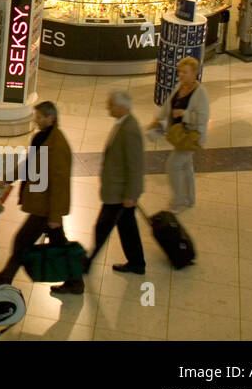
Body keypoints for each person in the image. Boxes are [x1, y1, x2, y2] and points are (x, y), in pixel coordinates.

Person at [0, 100, 83, 296]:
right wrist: (8, 178)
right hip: (44, 206)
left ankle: (4, 278)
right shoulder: (42, 137)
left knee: (22, 241)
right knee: (59, 244)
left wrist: (55, 216)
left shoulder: (57, 145)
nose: (36, 120)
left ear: (51, 118)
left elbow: (60, 184)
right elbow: (30, 164)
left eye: (39, 117)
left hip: (46, 208)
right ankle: (75, 281)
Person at [86, 90, 146, 275]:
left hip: (120, 194)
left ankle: (87, 263)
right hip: (119, 192)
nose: (107, 107)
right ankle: (137, 263)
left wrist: (131, 194)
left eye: (111, 104)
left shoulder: (130, 129)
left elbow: (136, 165)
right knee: (127, 227)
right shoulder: (123, 124)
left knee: (103, 227)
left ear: (121, 107)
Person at [150, 56, 210, 212]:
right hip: (179, 135)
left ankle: (179, 201)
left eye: (185, 72)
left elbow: (203, 117)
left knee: (173, 165)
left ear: (194, 73)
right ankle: (190, 199)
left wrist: (184, 113)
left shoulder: (200, 93)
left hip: (190, 137)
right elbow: (167, 105)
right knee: (186, 167)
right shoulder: (180, 87)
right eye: (180, 72)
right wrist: (157, 119)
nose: (181, 75)